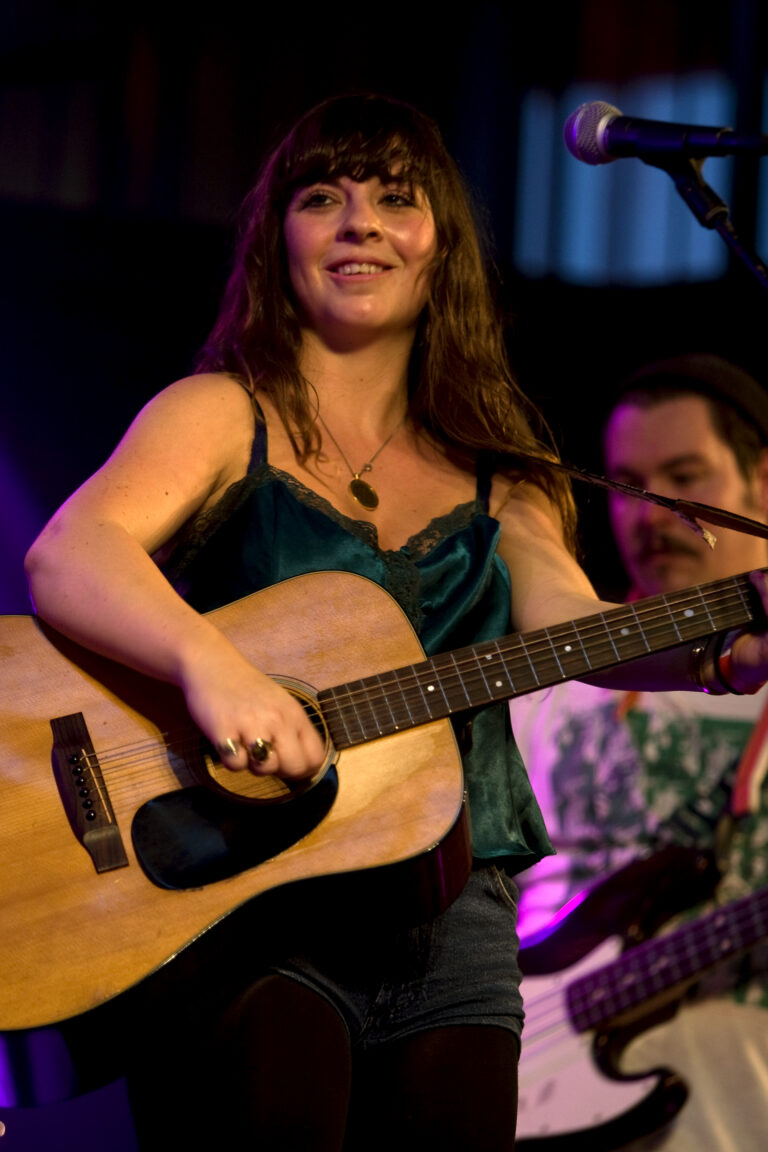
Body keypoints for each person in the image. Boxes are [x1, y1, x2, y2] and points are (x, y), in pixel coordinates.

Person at [23, 95, 768, 1151]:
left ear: (441, 250)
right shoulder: (221, 414)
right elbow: (70, 553)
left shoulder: (505, 472)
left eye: (394, 198)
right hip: (248, 894)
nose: (358, 221)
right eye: (323, 197)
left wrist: (731, 648)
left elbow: (572, 620)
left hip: (454, 915)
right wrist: (216, 670)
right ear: (280, 243)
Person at [510, 354, 768, 1151]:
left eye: (687, 478)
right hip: (534, 1099)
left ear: (763, 480)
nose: (655, 515)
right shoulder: (548, 676)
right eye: (630, 486)